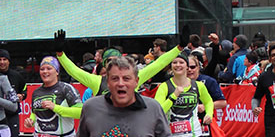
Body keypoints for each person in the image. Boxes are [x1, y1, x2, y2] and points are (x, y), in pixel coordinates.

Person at [53, 28, 188, 97]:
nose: (113, 65)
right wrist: (60, 54)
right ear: (104, 64)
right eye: (109, 62)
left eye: (115, 61)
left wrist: (179, 48)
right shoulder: (97, 82)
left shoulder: (135, 77)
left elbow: (158, 64)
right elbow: (74, 71)